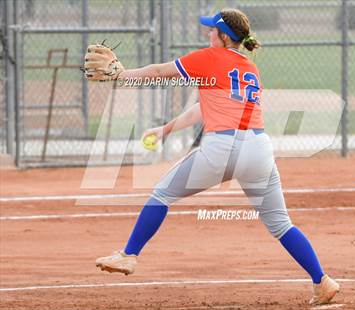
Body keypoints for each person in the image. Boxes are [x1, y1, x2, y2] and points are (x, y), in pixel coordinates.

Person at [92, 9, 339, 306]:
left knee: (162, 193)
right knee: (280, 224)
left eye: (212, 31)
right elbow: (203, 108)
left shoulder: (208, 57)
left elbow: (158, 72)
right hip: (259, 149)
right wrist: (166, 129)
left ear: (224, 37)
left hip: (222, 147)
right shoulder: (250, 68)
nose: (208, 34)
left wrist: (121, 75)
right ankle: (322, 281)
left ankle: (129, 255)